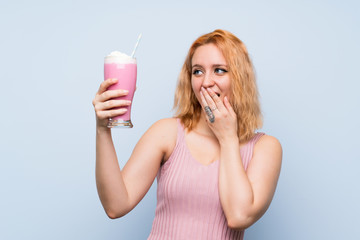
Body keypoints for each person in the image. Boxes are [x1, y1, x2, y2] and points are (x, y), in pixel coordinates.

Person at [92, 29, 282, 239]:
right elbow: (115, 206)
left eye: (219, 70)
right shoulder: (167, 132)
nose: (206, 82)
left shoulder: (265, 148)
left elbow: (238, 217)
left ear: (240, 78)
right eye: (198, 71)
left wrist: (228, 139)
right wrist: (103, 129)